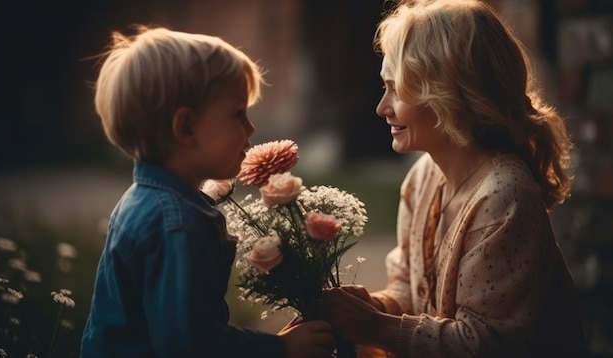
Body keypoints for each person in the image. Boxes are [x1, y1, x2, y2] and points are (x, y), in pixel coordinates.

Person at [321, 0, 587, 357]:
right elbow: (409, 295)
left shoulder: (505, 196)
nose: (381, 108)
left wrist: (374, 327)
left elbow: (488, 344)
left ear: (449, 93)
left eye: (396, 89)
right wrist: (372, 306)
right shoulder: (422, 179)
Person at [80, 26, 335, 357]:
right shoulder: (178, 225)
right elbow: (191, 346)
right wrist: (279, 348)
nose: (251, 128)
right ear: (186, 128)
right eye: (238, 114)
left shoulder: (146, 200)